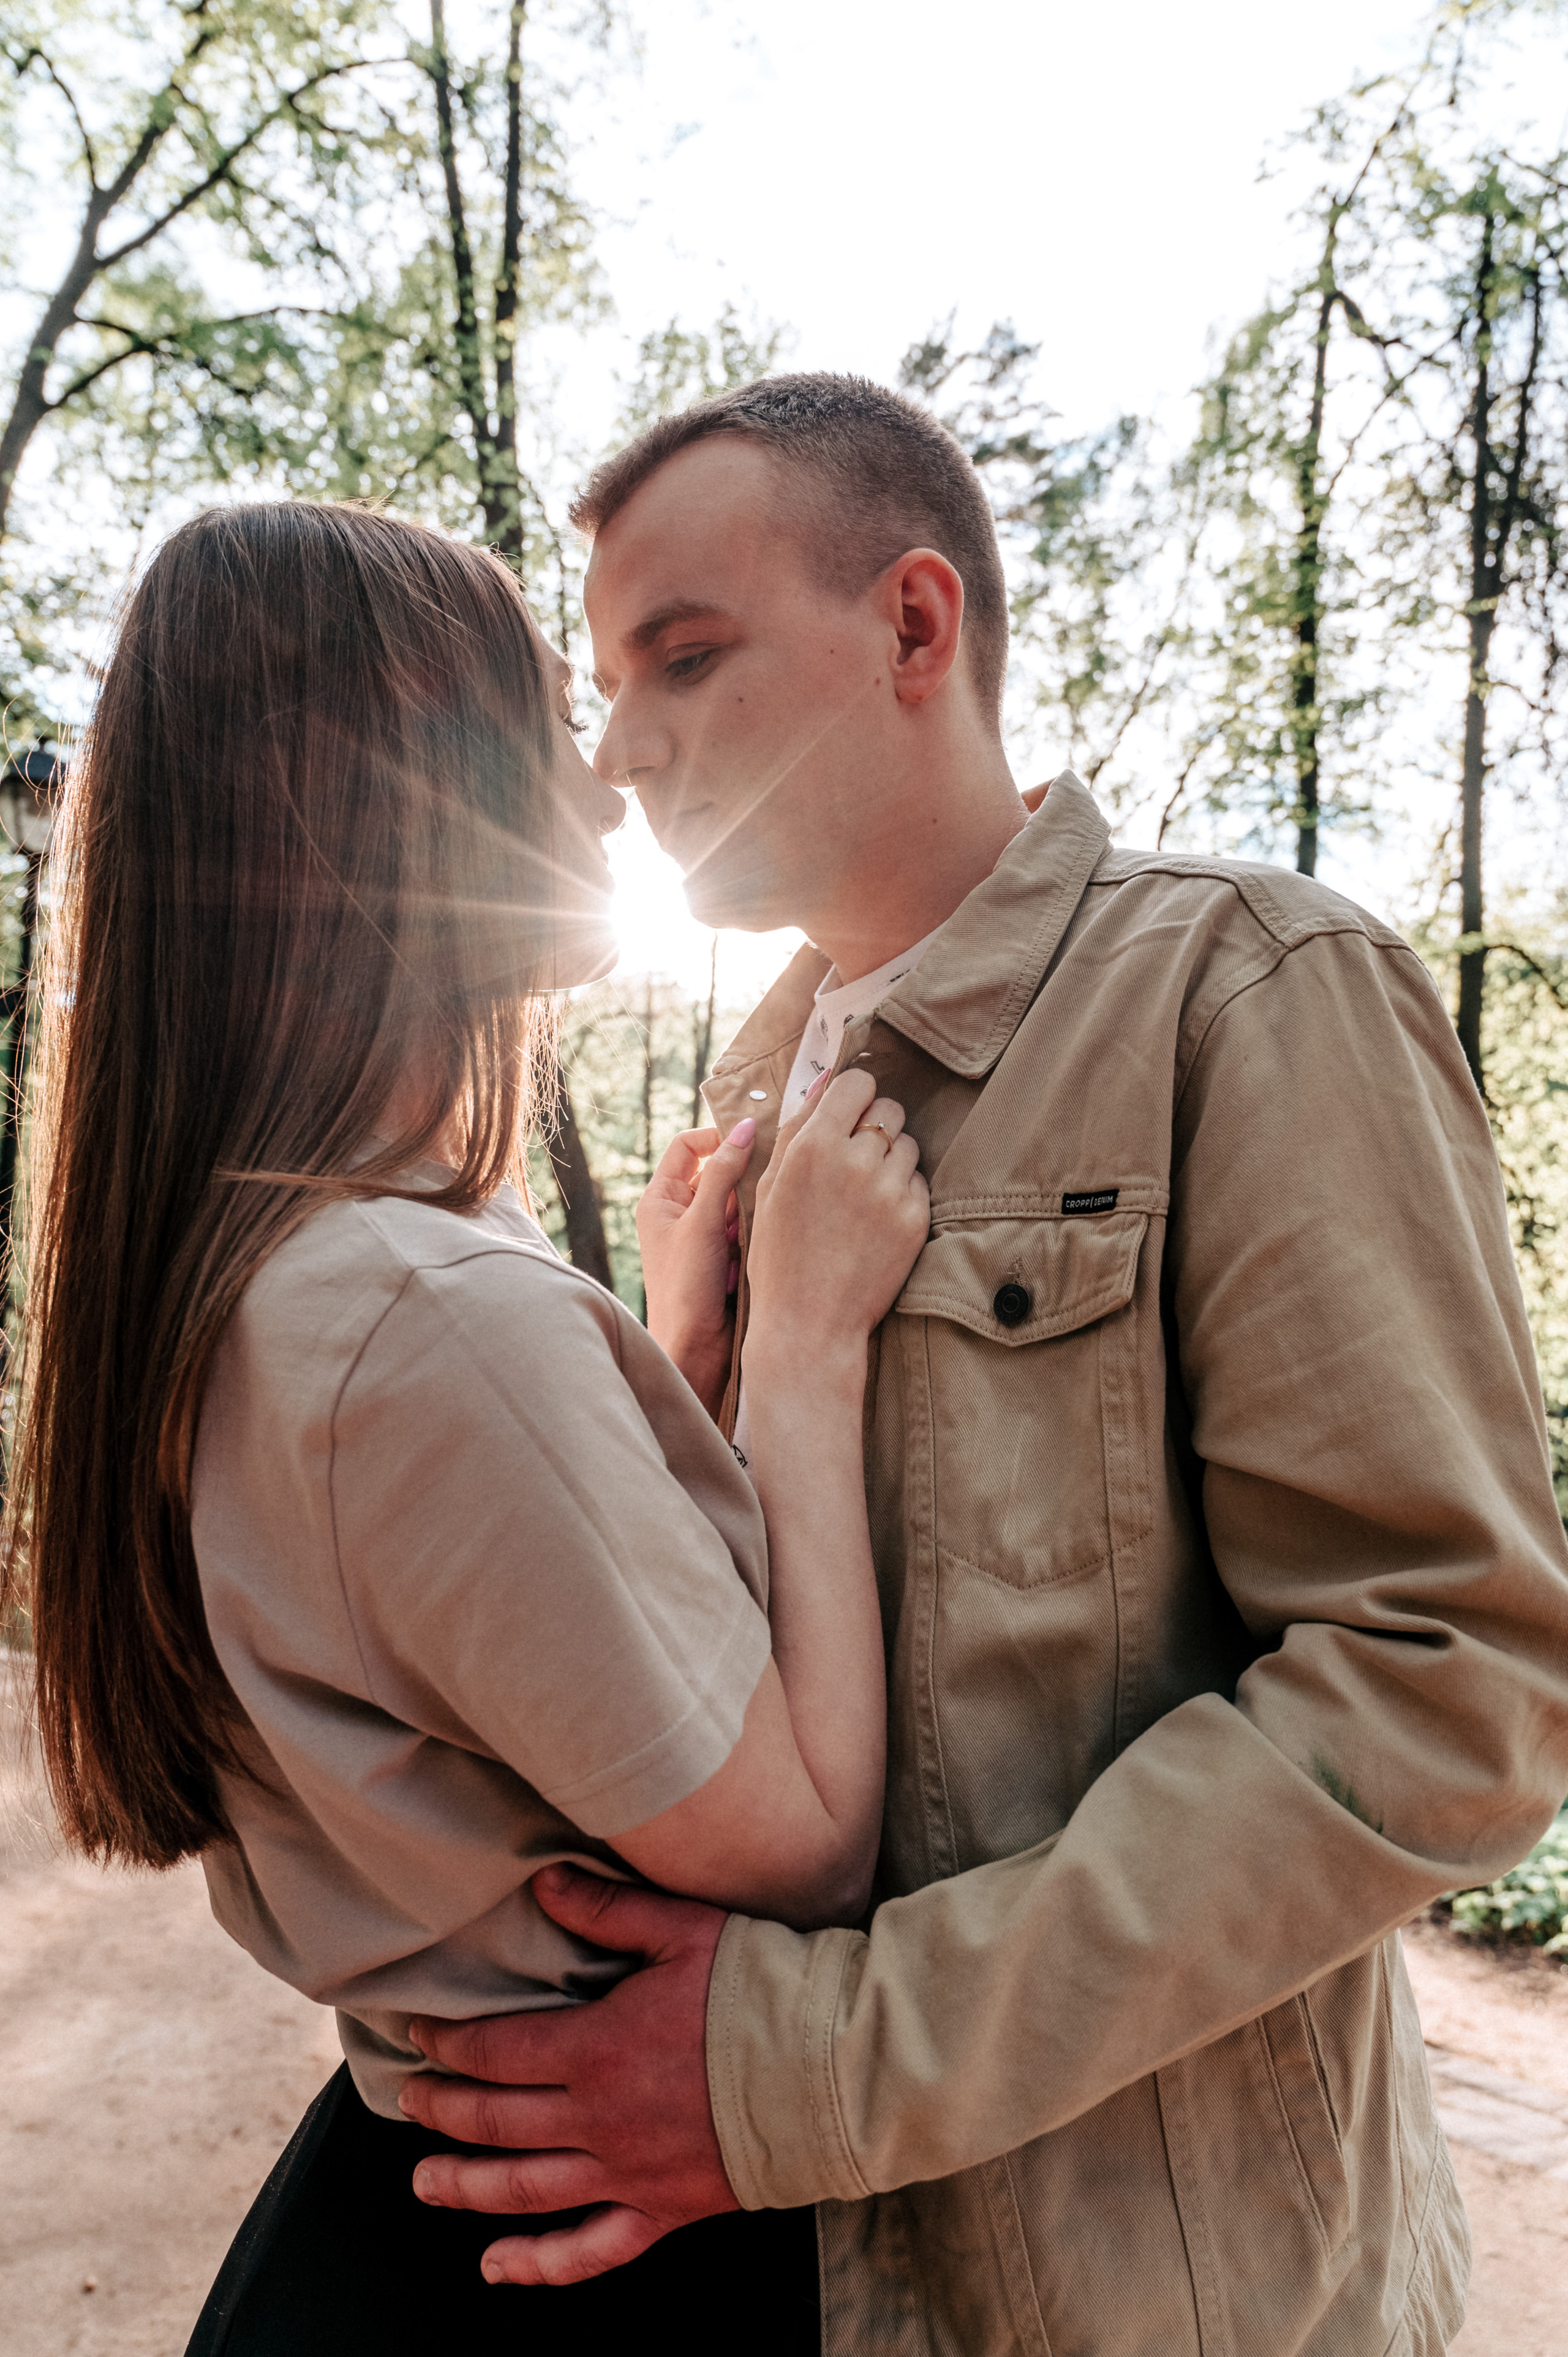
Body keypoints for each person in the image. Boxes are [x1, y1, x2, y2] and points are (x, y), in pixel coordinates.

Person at [399, 376, 1568, 2356]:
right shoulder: (751, 1111)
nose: (619, 753)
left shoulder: (1252, 993)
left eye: (683, 657)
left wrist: (813, 2071)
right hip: (776, 2284)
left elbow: (1451, 1690)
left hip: (1174, 2307)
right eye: (607, 684)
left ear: (916, 630)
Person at [0, 499, 931, 2355]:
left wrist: (665, 1344)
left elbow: (474, 1614)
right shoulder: (426, 1322)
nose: (601, 787)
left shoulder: (268, 1262)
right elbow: (810, 1840)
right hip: (568, 2259)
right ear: (386, 801)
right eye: (535, 718)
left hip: (403, 2209)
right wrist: (811, 1341)